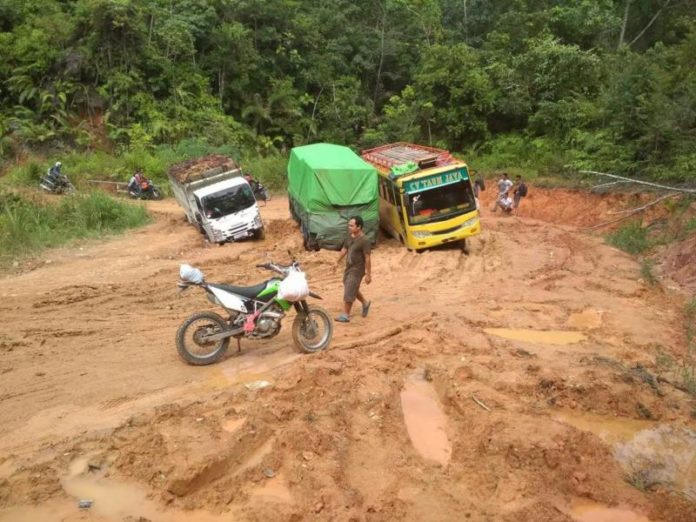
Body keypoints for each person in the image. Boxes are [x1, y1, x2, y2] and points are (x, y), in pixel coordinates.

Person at [334, 216, 372, 323]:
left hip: (357, 269)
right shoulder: (349, 237)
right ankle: (365, 303)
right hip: (349, 267)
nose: (349, 227)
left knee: (349, 289)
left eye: (352, 225)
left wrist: (368, 274)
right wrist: (337, 261)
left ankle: (345, 315)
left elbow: (368, 258)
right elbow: (344, 249)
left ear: (359, 227)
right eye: (349, 225)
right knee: (350, 286)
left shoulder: (365, 240)